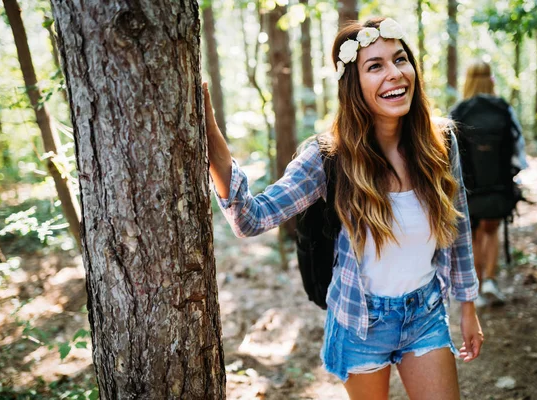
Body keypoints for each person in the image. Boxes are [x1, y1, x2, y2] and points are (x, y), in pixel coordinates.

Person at [206, 17, 483, 400]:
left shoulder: (441, 143)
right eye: (375, 66)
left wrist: (468, 306)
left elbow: (458, 227)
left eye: (400, 59)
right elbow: (251, 218)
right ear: (353, 85)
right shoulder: (328, 157)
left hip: (426, 313)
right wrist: (211, 139)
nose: (395, 74)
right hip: (359, 321)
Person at [450, 60, 528, 307]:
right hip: (498, 188)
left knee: (472, 235)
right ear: (490, 79)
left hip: (470, 189)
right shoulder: (503, 109)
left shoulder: (459, 111)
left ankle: (478, 288)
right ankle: (492, 280)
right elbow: (518, 147)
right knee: (491, 230)